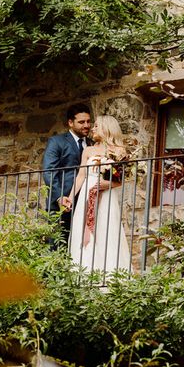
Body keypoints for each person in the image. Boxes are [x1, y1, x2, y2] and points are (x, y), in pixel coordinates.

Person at [68, 115, 131, 276]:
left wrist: (107, 184)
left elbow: (121, 180)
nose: (92, 128)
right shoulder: (88, 150)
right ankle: (84, 274)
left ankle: (109, 276)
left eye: (96, 126)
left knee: (106, 230)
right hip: (86, 195)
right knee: (83, 230)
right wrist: (70, 196)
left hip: (106, 197)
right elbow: (81, 176)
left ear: (106, 128)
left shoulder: (119, 152)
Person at [42, 103, 92, 248]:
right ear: (70, 123)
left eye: (88, 121)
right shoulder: (57, 141)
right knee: (58, 245)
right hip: (62, 203)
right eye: (81, 122)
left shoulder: (92, 144)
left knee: (81, 247)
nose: (86, 125)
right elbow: (49, 171)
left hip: (85, 202)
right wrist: (59, 196)